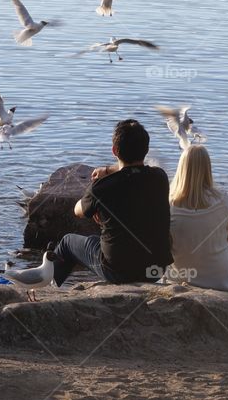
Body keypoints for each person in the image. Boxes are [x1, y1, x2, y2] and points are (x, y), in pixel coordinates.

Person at [53, 119, 172, 286]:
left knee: (67, 243)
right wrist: (109, 169)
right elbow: (133, 170)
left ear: (115, 150)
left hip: (117, 272)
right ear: (145, 150)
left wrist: (97, 194)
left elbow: (78, 210)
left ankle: (47, 292)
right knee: (98, 241)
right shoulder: (160, 177)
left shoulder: (103, 187)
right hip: (155, 270)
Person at [167, 144, 228, 291]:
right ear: (208, 168)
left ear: (181, 169)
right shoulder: (222, 199)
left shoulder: (168, 204)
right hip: (220, 283)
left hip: (179, 279)